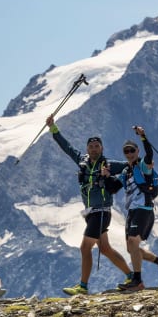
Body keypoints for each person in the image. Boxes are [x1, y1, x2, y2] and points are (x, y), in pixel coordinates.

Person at [46, 115, 133, 295]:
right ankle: (132, 277)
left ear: (102, 148)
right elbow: (67, 147)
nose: (94, 149)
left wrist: (114, 177)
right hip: (90, 213)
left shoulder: (109, 164)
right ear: (87, 148)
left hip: (101, 212)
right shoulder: (82, 161)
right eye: (91, 146)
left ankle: (83, 287)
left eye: (97, 146)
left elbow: (130, 165)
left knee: (85, 247)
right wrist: (53, 128)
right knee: (105, 248)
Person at [101, 126, 158, 292]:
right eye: (126, 151)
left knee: (133, 242)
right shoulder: (126, 172)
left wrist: (143, 136)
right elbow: (113, 188)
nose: (129, 154)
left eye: (131, 150)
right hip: (132, 211)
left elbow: (149, 154)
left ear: (137, 150)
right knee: (131, 248)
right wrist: (105, 177)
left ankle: (137, 281)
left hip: (144, 209)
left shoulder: (143, 166)